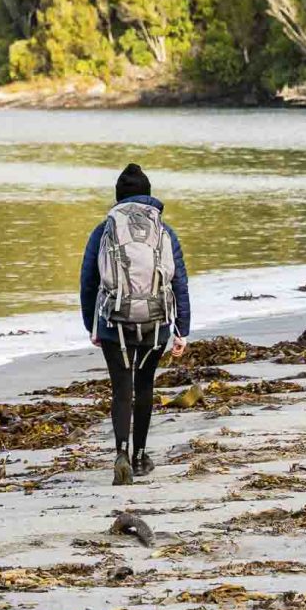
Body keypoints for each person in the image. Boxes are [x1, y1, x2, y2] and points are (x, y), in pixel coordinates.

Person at [80, 163, 190, 485]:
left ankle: (122, 452)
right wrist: (182, 329)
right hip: (156, 322)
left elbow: (88, 281)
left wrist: (92, 326)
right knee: (144, 385)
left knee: (121, 388)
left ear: (119, 198)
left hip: (113, 322)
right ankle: (141, 457)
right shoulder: (164, 231)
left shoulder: (104, 230)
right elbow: (179, 282)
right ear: (148, 195)